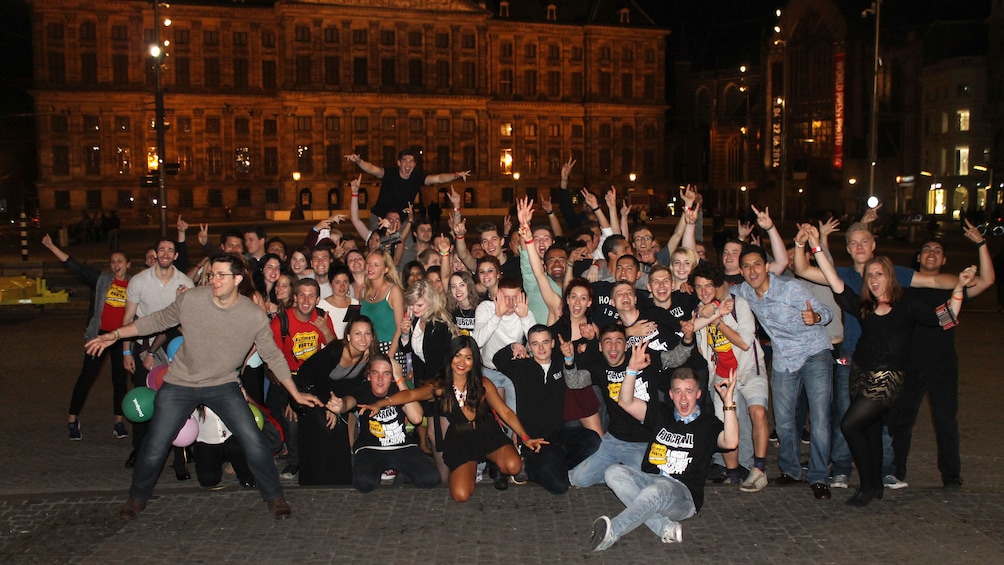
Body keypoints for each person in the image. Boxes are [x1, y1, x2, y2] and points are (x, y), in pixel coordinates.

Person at [84, 253, 323, 520]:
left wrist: (295, 393)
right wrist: (115, 334)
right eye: (212, 274)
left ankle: (275, 496)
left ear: (238, 279)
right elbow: (155, 321)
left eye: (221, 275)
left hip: (222, 384)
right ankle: (136, 497)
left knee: (253, 439)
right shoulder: (192, 300)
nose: (214, 280)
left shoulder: (251, 314)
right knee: (155, 443)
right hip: (180, 383)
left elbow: (273, 355)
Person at [799, 225, 976, 505]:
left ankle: (868, 484)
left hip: (887, 380)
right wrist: (816, 246)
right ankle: (874, 487)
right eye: (870, 276)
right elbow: (833, 280)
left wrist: (958, 288)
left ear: (889, 277)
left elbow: (947, 319)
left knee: (850, 425)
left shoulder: (908, 306)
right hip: (859, 374)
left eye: (879, 274)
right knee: (868, 430)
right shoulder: (864, 307)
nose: (873, 279)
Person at [357, 336, 546, 502]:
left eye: (468, 357)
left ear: (474, 361)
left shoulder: (483, 383)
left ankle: (493, 463)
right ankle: (471, 468)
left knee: (514, 466)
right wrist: (381, 403)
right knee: (461, 495)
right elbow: (410, 396)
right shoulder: (440, 385)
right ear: (450, 357)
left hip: (486, 432)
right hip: (461, 440)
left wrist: (525, 437)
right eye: (458, 355)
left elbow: (505, 412)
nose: (462, 361)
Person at [588, 359, 738, 551]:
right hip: (651, 479)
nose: (683, 398)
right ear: (671, 394)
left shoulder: (707, 424)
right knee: (613, 473)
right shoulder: (661, 414)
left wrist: (729, 403)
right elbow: (625, 402)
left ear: (698, 394)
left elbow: (731, 442)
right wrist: (632, 370)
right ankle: (664, 527)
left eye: (689, 391)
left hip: (683, 496)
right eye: (678, 391)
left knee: (655, 492)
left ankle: (613, 531)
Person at [890, 226, 994, 487]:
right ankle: (895, 470)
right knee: (901, 419)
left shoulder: (952, 286)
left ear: (944, 260)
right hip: (908, 362)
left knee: (946, 419)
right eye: (926, 250)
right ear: (918, 257)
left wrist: (981, 244)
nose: (932, 253)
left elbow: (988, 280)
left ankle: (951, 473)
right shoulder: (904, 286)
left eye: (937, 250)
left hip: (942, 362)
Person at [735, 244, 834, 500]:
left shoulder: (790, 289)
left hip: (815, 354)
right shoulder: (745, 291)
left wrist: (816, 317)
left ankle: (819, 477)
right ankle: (790, 470)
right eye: (746, 266)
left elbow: (826, 312)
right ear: (742, 271)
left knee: (820, 419)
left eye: (757, 264)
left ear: (767, 267)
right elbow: (721, 291)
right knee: (784, 419)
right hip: (784, 359)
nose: (752, 270)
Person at [564, 324, 695, 487]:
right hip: (613, 440)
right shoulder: (598, 367)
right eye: (608, 342)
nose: (613, 347)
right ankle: (618, 471)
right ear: (600, 346)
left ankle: (621, 473)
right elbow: (574, 382)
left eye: (619, 341)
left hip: (642, 442)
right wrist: (569, 360)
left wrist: (688, 339)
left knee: (649, 484)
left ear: (626, 345)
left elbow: (676, 358)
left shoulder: (642, 357)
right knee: (578, 479)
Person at [42, 234, 132, 440]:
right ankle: (72, 419)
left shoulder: (135, 284)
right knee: (86, 377)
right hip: (99, 336)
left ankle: (119, 421)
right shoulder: (102, 280)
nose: (116, 265)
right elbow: (75, 266)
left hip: (120, 337)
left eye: (120, 261)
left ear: (128, 264)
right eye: (113, 262)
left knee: (119, 380)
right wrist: (52, 247)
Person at [493, 325, 601, 494]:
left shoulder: (560, 363)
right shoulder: (521, 367)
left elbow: (590, 360)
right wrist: (513, 347)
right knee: (560, 487)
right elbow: (498, 360)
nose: (541, 348)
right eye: (535, 344)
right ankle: (530, 468)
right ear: (529, 346)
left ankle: (555, 466)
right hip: (533, 442)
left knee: (593, 440)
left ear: (552, 343)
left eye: (545, 342)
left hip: (557, 436)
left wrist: (571, 357)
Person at [691, 261, 770, 491]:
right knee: (727, 426)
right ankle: (734, 474)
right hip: (722, 378)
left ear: (717, 286)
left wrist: (717, 320)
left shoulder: (738, 305)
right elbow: (694, 334)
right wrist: (709, 315)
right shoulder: (699, 311)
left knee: (758, 412)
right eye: (698, 287)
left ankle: (759, 469)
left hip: (748, 369)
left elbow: (745, 343)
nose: (704, 291)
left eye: (708, 286)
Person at [120, 238, 195, 472]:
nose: (164, 254)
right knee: (144, 396)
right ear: (155, 253)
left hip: (173, 341)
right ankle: (140, 448)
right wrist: (126, 351)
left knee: (177, 396)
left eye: (169, 250)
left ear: (175, 256)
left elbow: (191, 321)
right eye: (161, 249)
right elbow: (128, 318)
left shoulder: (185, 282)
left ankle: (181, 451)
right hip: (144, 342)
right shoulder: (139, 280)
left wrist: (185, 299)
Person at [325, 355, 440, 492]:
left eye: (386, 374)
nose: (380, 379)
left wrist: (400, 381)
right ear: (369, 376)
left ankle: (403, 474)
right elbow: (348, 402)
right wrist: (340, 406)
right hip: (371, 448)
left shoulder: (398, 389)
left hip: (402, 446)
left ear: (392, 377)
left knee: (430, 479)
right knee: (364, 483)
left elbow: (416, 418)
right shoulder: (363, 390)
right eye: (375, 373)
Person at [293, 316, 379, 485]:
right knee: (325, 427)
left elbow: (350, 385)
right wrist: (329, 407)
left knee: (340, 428)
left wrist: (336, 405)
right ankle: (313, 481)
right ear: (348, 336)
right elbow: (316, 379)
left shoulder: (368, 356)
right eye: (357, 334)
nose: (363, 339)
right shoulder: (336, 351)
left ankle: (339, 481)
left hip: (332, 394)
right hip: (307, 390)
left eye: (367, 334)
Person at [345, 148, 470, 225]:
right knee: (378, 249)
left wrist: (456, 174)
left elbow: (439, 178)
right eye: (405, 160)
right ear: (399, 163)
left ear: (414, 164)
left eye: (411, 161)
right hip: (379, 216)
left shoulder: (417, 178)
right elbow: (372, 169)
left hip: (402, 220)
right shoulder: (389, 174)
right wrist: (358, 161)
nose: (408, 164)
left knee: (406, 250)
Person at [360, 249, 406, 362]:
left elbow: (400, 328)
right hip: (368, 349)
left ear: (386, 269)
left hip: (391, 348)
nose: (370, 268)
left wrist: (388, 357)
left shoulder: (393, 291)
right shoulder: (364, 291)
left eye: (376, 265)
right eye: (368, 263)